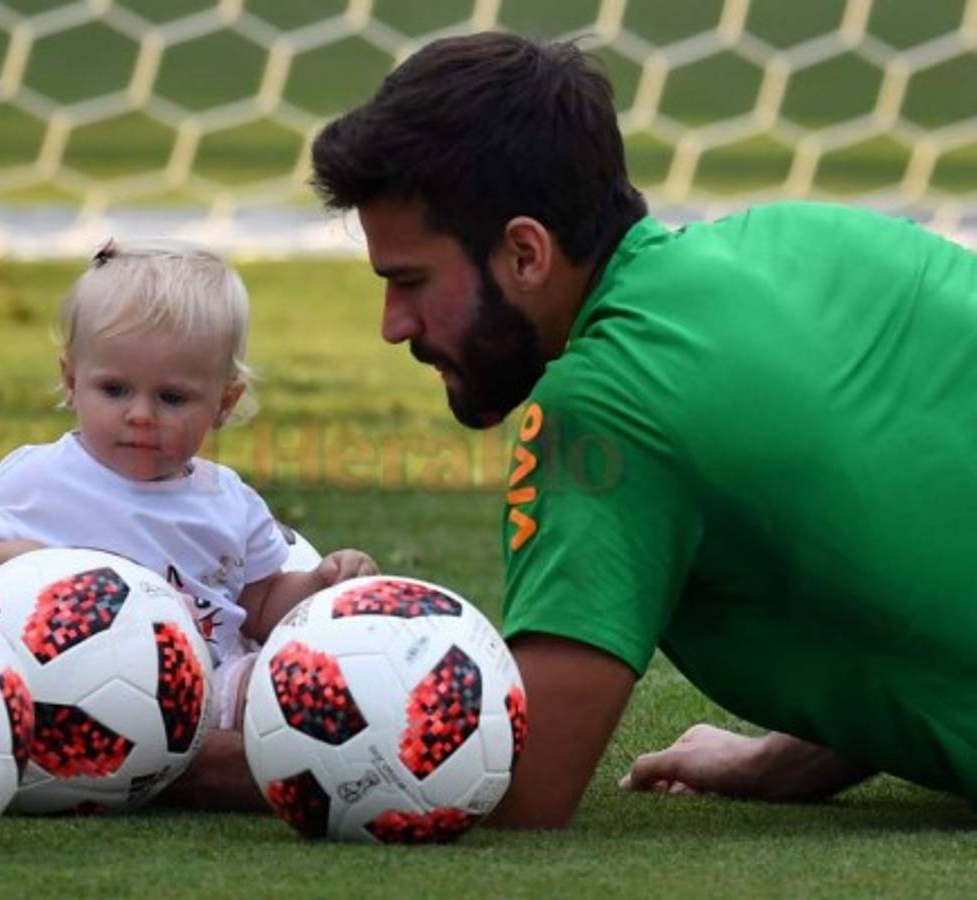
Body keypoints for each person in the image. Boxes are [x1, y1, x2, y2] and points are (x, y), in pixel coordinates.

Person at [309, 31, 977, 828]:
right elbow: (901, 554)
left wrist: (190, 754)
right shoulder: (811, 239)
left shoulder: (606, 404)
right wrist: (785, 758)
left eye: (410, 281)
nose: (393, 324)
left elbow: (517, 782)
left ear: (524, 253)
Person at [0, 240, 377, 807]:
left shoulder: (226, 501)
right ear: (71, 379)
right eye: (114, 390)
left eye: (171, 398)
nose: (140, 415)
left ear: (224, 402)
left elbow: (262, 602)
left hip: (209, 689)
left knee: (299, 687)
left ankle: (254, 764)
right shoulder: (41, 478)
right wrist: (29, 563)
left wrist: (323, 586)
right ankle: (221, 769)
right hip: (74, 687)